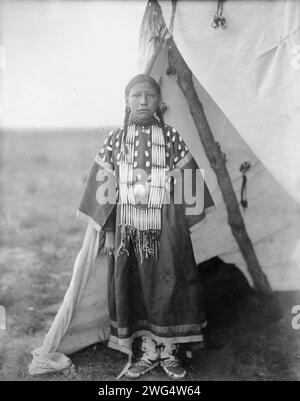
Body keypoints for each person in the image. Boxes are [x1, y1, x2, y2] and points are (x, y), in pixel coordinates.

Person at [78, 74, 214, 380]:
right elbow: (104, 188)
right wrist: (111, 231)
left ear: (158, 102)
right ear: (126, 101)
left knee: (170, 281)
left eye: (149, 96)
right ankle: (147, 349)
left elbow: (190, 182)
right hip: (127, 228)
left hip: (166, 224)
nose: (143, 101)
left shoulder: (172, 138)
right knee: (135, 283)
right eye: (136, 95)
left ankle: (170, 350)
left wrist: (181, 228)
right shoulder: (115, 140)